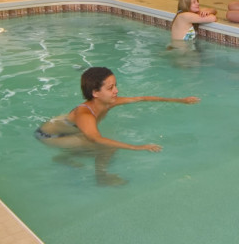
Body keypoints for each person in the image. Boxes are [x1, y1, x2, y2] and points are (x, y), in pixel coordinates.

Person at [35, 66, 200, 185]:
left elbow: (141, 98)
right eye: (110, 87)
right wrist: (137, 147)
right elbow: (96, 138)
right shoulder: (84, 114)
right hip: (49, 136)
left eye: (115, 85)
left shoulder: (107, 103)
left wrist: (181, 100)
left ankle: (64, 158)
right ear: (95, 93)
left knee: (94, 145)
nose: (116, 90)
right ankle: (101, 178)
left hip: (69, 132)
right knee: (107, 147)